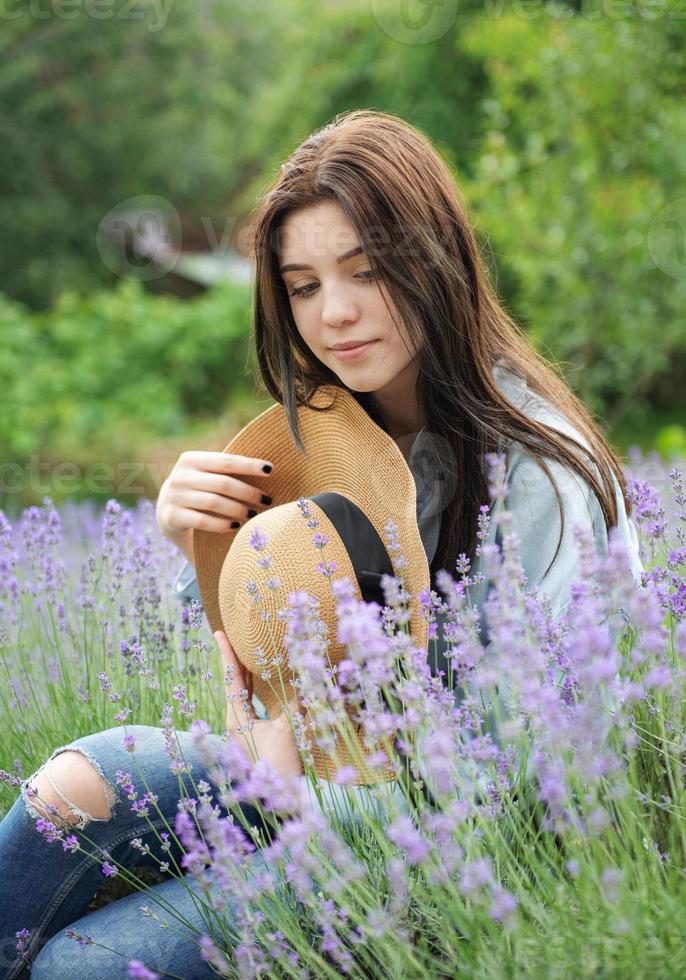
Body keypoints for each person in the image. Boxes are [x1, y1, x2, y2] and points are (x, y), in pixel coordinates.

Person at [0, 108, 643, 979]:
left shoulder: (537, 476)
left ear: (436, 261)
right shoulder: (332, 436)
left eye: (367, 271)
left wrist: (297, 792)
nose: (334, 314)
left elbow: (530, 783)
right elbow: (253, 674)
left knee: (81, 967)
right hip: (319, 781)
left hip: (455, 847)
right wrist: (194, 538)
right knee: (68, 791)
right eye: (303, 286)